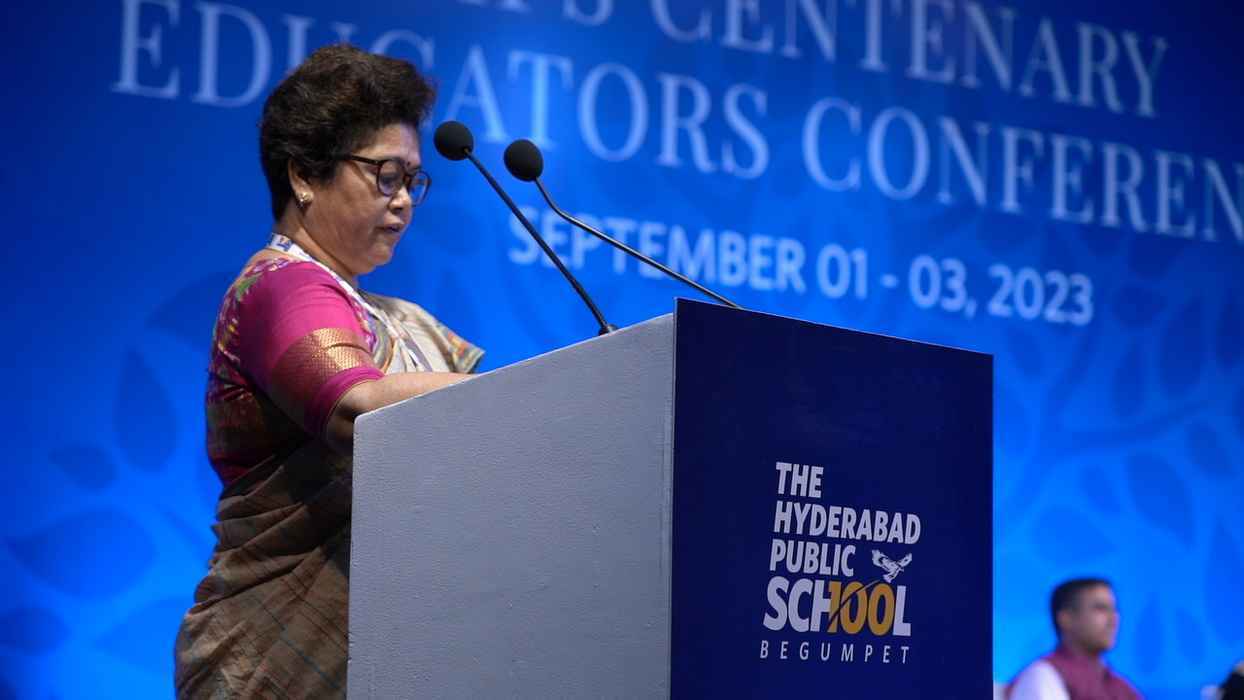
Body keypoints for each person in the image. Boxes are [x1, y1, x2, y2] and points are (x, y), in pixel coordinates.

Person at [174, 44, 483, 698]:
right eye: (386, 175)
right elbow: (357, 407)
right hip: (272, 662)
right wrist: (515, 399)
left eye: (413, 181)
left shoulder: (391, 316)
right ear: (305, 176)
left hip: (392, 654)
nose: (404, 201)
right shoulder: (280, 286)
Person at [1008, 578, 1140, 700]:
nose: (1113, 620)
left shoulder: (1123, 688)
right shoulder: (1042, 675)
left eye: (1115, 610)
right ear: (1065, 619)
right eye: (1100, 609)